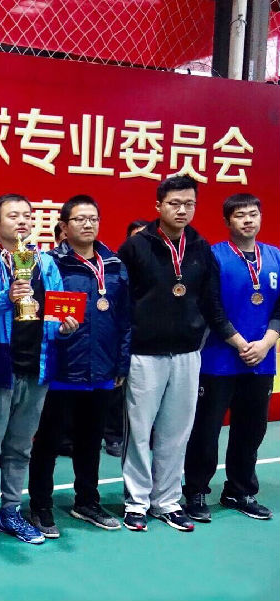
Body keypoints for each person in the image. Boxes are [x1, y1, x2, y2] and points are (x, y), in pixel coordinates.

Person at [117, 175, 244, 533]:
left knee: (176, 432)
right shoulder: (135, 247)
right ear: (158, 206)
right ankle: (136, 502)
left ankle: (167, 501)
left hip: (188, 354)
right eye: (174, 203)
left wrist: (231, 338)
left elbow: (211, 302)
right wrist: (122, 356)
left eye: (189, 204)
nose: (182, 210)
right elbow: (122, 306)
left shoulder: (201, 248)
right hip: (144, 355)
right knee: (139, 432)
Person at [0, 193, 78, 551]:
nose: (23, 221)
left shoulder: (45, 262)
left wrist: (65, 327)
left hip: (37, 367)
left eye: (27, 215)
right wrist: (6, 297)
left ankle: (10, 511)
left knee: (20, 448)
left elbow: (57, 310)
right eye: (13, 216)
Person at [27, 195, 130, 537]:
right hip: (61, 368)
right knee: (48, 442)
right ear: (64, 226)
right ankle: (40, 505)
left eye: (93, 218)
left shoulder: (113, 264)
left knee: (91, 440)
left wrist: (121, 363)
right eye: (80, 219)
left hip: (101, 369)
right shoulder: (49, 264)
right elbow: (33, 311)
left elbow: (125, 318)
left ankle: (87, 501)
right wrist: (55, 328)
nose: (88, 224)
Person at [183, 193, 280, 522]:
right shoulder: (214, 256)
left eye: (253, 214)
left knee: (251, 430)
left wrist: (266, 343)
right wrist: (239, 343)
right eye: (240, 215)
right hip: (217, 360)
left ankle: (240, 491)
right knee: (206, 430)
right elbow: (210, 306)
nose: (248, 220)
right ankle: (196, 491)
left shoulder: (275, 257)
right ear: (227, 221)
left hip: (262, 361)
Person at [102, 218, 149, 458]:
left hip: (146, 339)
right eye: (136, 237)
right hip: (119, 336)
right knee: (116, 390)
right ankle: (113, 436)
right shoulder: (114, 267)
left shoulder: (159, 266)